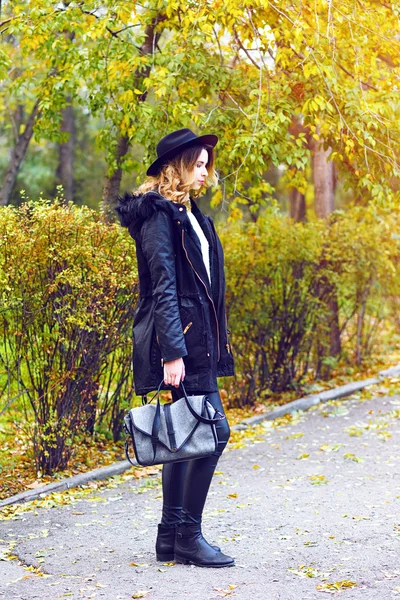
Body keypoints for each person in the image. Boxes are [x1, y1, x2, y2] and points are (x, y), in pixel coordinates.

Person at [116, 128, 235, 568]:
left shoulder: (189, 214)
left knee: (186, 434)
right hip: (182, 342)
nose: (206, 172)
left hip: (197, 338)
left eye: (207, 164)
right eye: (199, 164)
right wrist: (173, 352)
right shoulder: (158, 216)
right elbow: (163, 286)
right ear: (177, 166)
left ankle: (170, 536)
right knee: (212, 431)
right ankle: (187, 535)